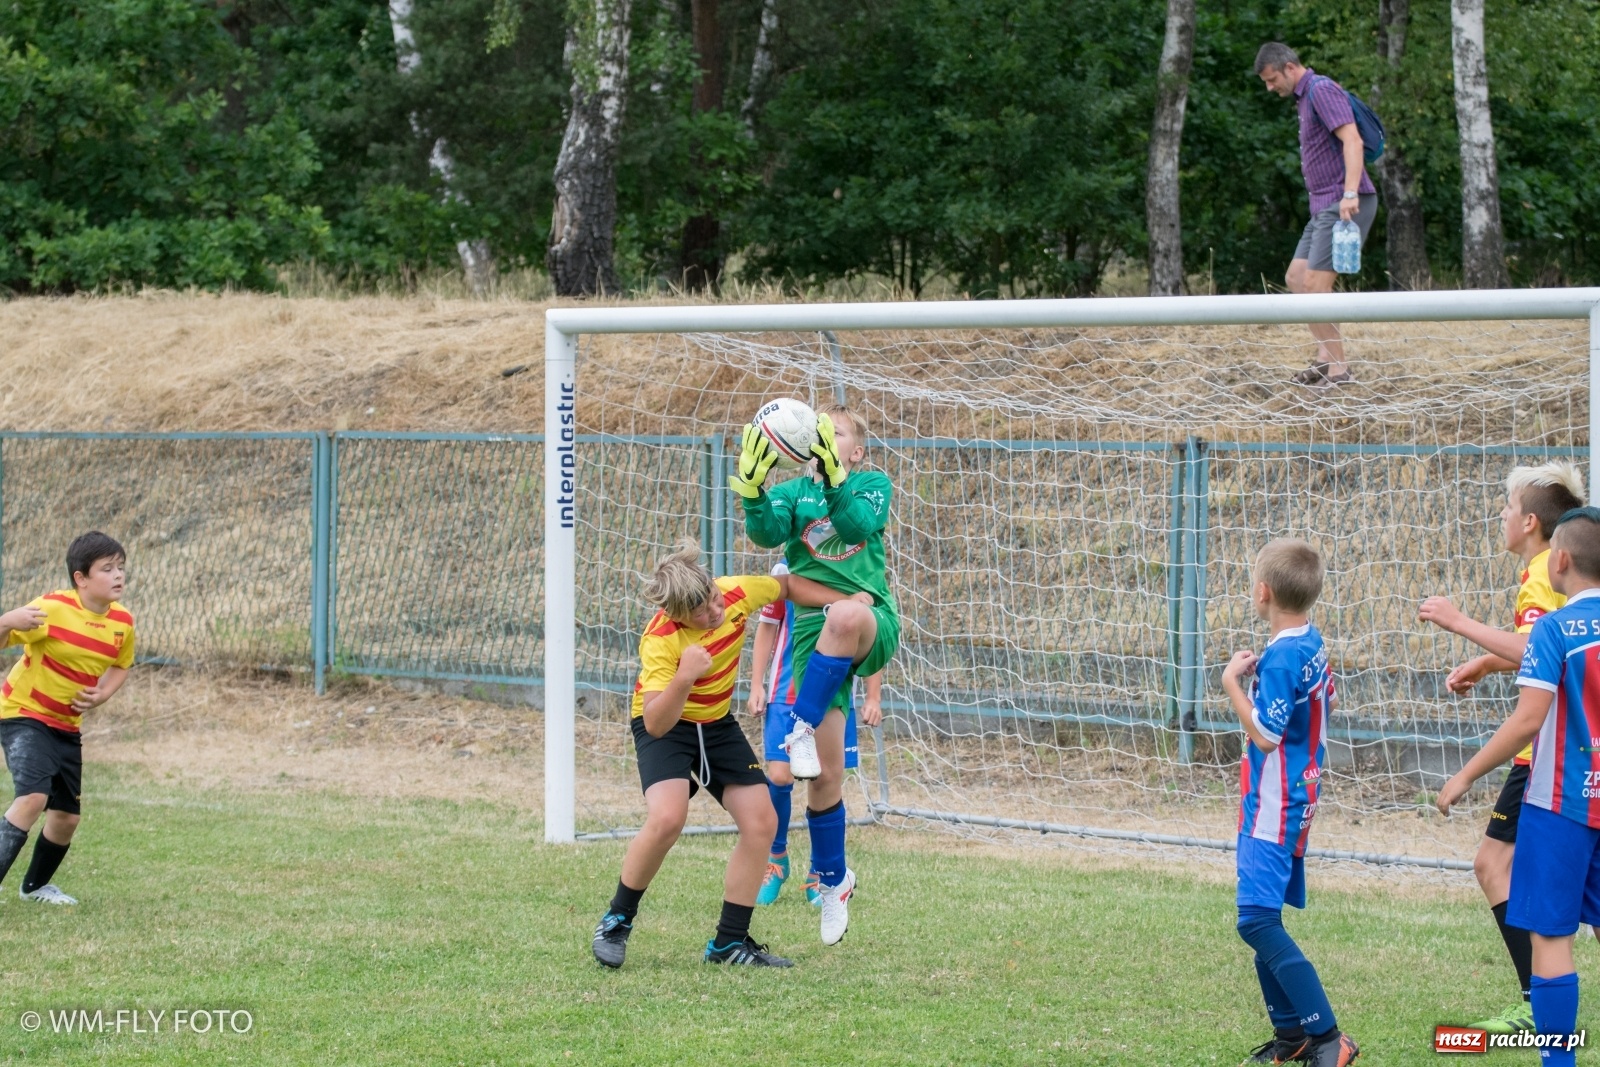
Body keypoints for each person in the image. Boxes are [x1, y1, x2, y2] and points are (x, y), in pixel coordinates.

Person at [1418, 461, 1585, 1034]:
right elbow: (1550, 648)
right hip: (1570, 754)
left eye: (1508, 507)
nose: (1501, 516)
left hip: (1542, 754)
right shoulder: (1555, 572)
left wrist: (1462, 623)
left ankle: (1536, 1006)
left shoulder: (1541, 575)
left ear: (1532, 522)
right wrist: (1490, 662)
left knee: (1495, 866)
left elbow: (1537, 647)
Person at [732, 404, 899, 946]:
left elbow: (854, 523)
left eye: (837, 433)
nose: (824, 439)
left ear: (856, 450)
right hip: (811, 636)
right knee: (825, 779)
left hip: (871, 618)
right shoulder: (792, 494)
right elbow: (766, 535)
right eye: (819, 432)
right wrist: (755, 492)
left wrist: (836, 478)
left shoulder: (872, 483)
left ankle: (799, 726)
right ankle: (834, 881)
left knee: (847, 611)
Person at [591, 542, 800, 968]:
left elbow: (790, 585)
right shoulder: (660, 640)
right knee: (668, 817)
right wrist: (685, 676)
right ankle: (617, 919)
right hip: (668, 727)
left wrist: (849, 597)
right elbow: (655, 723)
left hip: (717, 725)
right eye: (702, 613)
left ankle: (728, 944)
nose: (715, 611)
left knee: (762, 822)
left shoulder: (736, 592)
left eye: (713, 600)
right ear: (676, 617)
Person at [1220, 539, 1360, 1067]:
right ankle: (1292, 1037)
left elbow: (1266, 735)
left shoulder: (1280, 657)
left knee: (1254, 920)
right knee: (1263, 915)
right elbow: (1327, 695)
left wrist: (1232, 682)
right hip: (1295, 795)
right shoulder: (1311, 640)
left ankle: (1327, 1035)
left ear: (1262, 592)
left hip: (1274, 804)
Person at [0, 531, 136, 907]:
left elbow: (122, 665)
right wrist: (7, 619)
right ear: (81, 578)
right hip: (23, 713)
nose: (118, 575)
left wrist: (103, 693)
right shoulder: (52, 609)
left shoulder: (122, 621)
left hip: (66, 725)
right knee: (32, 797)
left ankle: (35, 888)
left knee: (65, 818)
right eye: (107, 569)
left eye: (121, 567)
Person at [747, 560, 883, 906]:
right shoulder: (784, 569)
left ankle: (820, 875)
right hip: (785, 693)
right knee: (778, 776)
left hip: (831, 701)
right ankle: (775, 859)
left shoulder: (852, 570)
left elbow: (870, 641)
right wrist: (756, 683)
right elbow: (766, 628)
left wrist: (873, 696)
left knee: (823, 781)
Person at [1255, 42, 1379, 389]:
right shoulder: (1305, 98)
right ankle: (1325, 359)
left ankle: (1340, 372)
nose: (1270, 87)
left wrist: (1350, 193)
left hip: (1344, 202)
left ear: (1290, 67)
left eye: (1272, 79)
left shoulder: (1321, 90)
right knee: (1296, 278)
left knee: (1316, 285)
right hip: (1323, 205)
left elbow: (1352, 142)